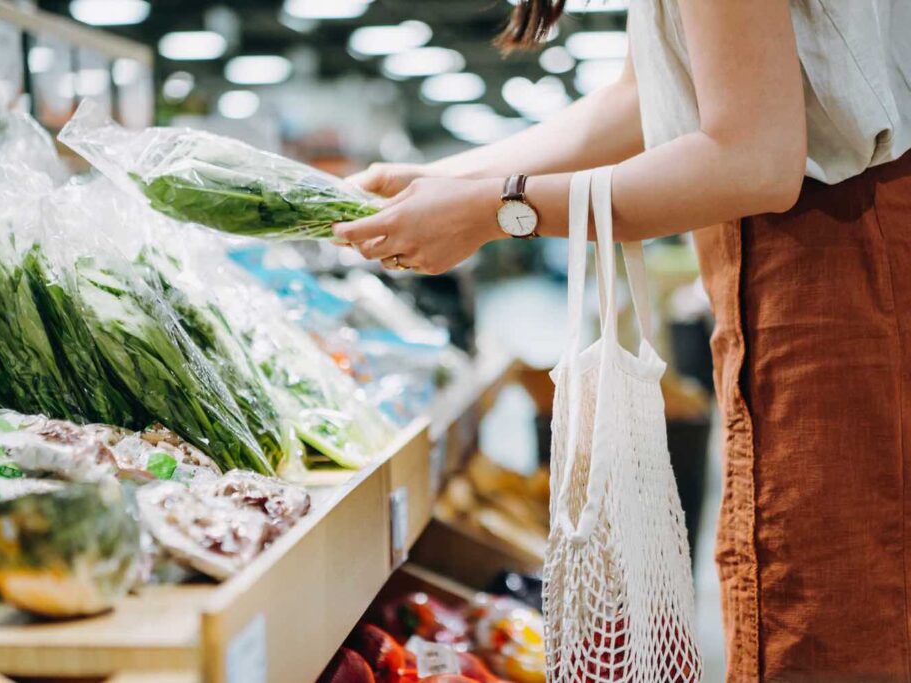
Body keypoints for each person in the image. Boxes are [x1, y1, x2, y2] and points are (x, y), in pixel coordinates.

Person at [334, 1, 911, 681]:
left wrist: (499, 208)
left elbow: (756, 159)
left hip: (835, 263)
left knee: (833, 618)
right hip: (818, 255)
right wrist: (444, 181)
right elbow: (646, 98)